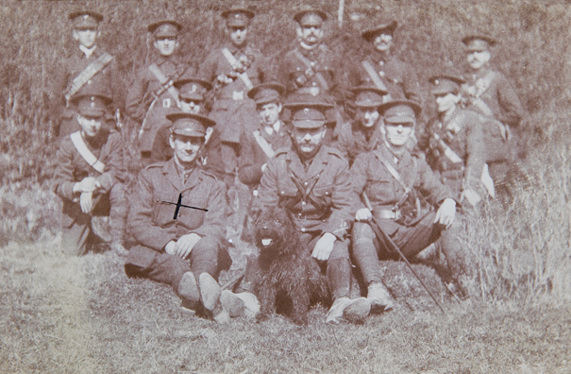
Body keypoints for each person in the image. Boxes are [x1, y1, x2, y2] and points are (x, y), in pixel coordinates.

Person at [253, 99, 371, 324]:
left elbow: (344, 205)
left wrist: (329, 234)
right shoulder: (278, 163)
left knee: (338, 248)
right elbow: (265, 206)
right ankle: (249, 299)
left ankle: (341, 302)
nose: (307, 137)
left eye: (314, 131)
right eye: (301, 131)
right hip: (286, 233)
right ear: (292, 131)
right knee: (263, 255)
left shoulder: (336, 162)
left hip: (320, 230)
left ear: (324, 131)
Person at [351, 99, 471, 309]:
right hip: (377, 233)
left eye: (405, 126)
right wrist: (358, 208)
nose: (399, 130)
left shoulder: (417, 164)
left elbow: (437, 190)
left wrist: (448, 201)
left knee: (449, 218)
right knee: (360, 227)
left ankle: (461, 280)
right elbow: (347, 192)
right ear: (383, 127)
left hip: (406, 235)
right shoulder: (366, 160)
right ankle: (375, 288)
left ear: (412, 130)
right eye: (393, 125)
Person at [125, 112, 232, 323]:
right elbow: (137, 221)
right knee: (174, 265)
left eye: (195, 142)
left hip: (197, 247)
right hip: (160, 248)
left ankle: (198, 288)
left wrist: (196, 236)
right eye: (183, 140)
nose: (188, 147)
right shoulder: (151, 175)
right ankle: (199, 291)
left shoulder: (212, 183)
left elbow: (217, 224)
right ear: (172, 141)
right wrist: (167, 244)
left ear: (202, 145)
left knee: (209, 245)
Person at [198, 7, 270, 185]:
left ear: (248, 29)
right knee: (225, 172)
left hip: (251, 122)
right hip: (223, 125)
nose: (238, 33)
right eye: (234, 29)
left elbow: (269, 90)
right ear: (227, 30)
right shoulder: (215, 58)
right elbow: (201, 88)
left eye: (242, 29)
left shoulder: (258, 58)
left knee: (253, 169)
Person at [53, 86, 127, 256]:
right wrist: (80, 187)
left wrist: (93, 185)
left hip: (103, 195)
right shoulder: (69, 145)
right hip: (78, 200)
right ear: (79, 118)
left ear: (103, 118)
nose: (93, 124)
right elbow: (58, 184)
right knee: (73, 252)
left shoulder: (113, 139)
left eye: (97, 118)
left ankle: (118, 242)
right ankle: (90, 235)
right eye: (88, 118)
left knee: (119, 190)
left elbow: (118, 172)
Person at [125, 19, 189, 164]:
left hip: (179, 135)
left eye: (170, 39)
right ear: (155, 44)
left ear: (177, 42)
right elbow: (131, 105)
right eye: (161, 39)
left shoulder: (187, 71)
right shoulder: (145, 73)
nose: (166, 43)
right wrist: (150, 119)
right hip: (152, 136)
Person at [52, 10, 121, 139]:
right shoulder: (66, 62)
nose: (88, 34)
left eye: (92, 30)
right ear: (75, 35)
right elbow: (56, 98)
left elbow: (117, 97)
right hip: (73, 123)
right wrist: (63, 117)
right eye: (83, 30)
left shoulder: (109, 61)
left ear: (98, 33)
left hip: (101, 122)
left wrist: (110, 118)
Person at [419, 75, 487, 206]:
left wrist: (470, 187)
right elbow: (419, 149)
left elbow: (476, 155)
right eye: (436, 96)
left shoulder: (469, 119)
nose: (438, 101)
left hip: (461, 184)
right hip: (438, 186)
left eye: (443, 96)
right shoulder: (432, 124)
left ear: (456, 97)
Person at [150, 77, 224, 180]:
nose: (192, 106)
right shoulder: (165, 130)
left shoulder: (211, 132)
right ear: (179, 102)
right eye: (187, 101)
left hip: (199, 184)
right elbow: (156, 164)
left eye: (196, 102)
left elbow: (215, 169)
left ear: (202, 104)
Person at [461, 35, 525, 146]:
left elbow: (517, 113)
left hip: (489, 142)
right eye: (470, 52)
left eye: (479, 52)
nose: (474, 56)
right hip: (464, 142)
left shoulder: (497, 80)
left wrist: (492, 120)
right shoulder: (459, 82)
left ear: (487, 56)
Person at [349, 21, 421, 104]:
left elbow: (414, 101)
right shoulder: (359, 67)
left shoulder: (404, 68)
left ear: (391, 38)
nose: (382, 39)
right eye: (378, 35)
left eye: (386, 34)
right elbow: (349, 99)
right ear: (371, 38)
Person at [238, 82, 291, 189]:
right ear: (257, 111)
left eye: (271, 108)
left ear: (279, 107)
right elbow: (243, 175)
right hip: (261, 192)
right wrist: (262, 169)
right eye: (263, 110)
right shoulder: (251, 136)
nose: (267, 114)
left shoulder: (291, 133)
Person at [336, 86, 387, 166]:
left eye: (371, 110)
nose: (366, 116)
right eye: (362, 110)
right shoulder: (347, 130)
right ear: (357, 109)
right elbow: (341, 163)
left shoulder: (388, 130)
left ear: (380, 111)